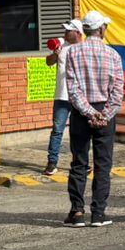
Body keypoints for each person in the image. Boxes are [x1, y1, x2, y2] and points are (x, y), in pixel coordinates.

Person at [60, 11, 124, 228]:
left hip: (81, 112)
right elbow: (117, 91)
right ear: (101, 29)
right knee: (102, 164)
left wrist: (89, 112)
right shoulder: (112, 54)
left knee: (79, 162)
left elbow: (73, 89)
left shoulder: (72, 52)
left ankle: (77, 212)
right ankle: (98, 213)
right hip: (105, 111)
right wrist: (103, 115)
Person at [41, 20, 83, 175]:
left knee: (79, 132)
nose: (65, 33)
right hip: (61, 96)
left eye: (68, 31)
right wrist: (55, 54)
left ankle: (81, 163)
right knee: (57, 130)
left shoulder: (84, 48)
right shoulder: (61, 46)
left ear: (77, 33)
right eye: (64, 31)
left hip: (79, 96)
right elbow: (48, 62)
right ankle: (52, 163)